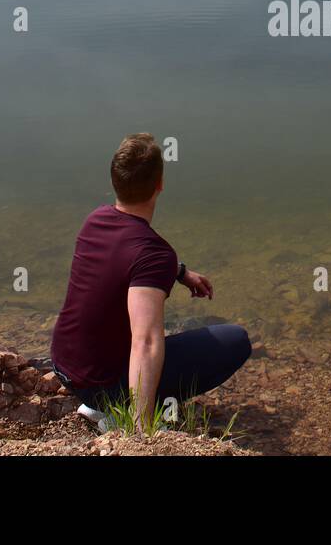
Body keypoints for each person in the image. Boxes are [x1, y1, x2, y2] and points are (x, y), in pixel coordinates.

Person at [50, 133, 251, 427]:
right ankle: (119, 413)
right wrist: (142, 430)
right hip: (99, 384)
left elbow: (123, 262)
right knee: (236, 340)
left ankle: (102, 405)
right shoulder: (155, 255)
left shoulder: (95, 220)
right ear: (160, 184)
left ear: (114, 182)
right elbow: (145, 342)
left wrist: (180, 273)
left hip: (65, 367)